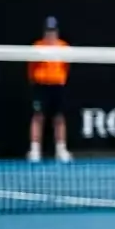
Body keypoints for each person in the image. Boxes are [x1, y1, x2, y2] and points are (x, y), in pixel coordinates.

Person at [28, 16, 72, 163]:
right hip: (41, 86)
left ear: (57, 31)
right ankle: (35, 150)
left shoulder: (64, 47)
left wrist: (60, 80)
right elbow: (31, 69)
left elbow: (66, 67)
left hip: (57, 86)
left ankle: (61, 149)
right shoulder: (37, 47)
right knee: (38, 117)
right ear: (44, 32)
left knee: (59, 118)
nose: (50, 34)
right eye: (48, 31)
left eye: (53, 31)